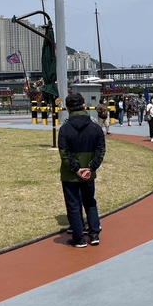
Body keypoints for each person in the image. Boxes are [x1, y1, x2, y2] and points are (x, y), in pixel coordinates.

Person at [58, 93, 105, 248]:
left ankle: (78, 238)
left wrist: (76, 169)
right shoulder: (95, 127)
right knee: (90, 202)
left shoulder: (64, 129)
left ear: (67, 109)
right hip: (89, 174)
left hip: (70, 174)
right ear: (84, 106)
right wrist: (91, 167)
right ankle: (94, 234)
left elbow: (64, 154)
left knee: (73, 204)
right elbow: (100, 150)